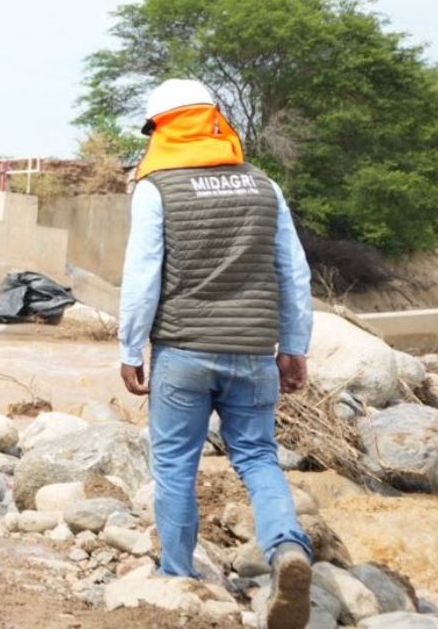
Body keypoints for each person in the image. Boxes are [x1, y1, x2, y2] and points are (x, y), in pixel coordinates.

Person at [118, 78, 315, 629]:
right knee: (256, 456)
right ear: (215, 120)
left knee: (176, 462)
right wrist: (294, 346)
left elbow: (142, 279)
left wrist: (131, 348)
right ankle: (286, 550)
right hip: (254, 353)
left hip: (183, 352)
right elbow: (293, 273)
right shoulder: (264, 187)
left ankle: (179, 575)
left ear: (160, 130)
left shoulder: (156, 189)